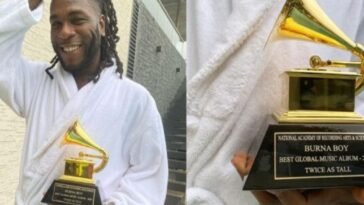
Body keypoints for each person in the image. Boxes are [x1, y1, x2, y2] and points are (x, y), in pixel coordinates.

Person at [0, 0, 168, 204]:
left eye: (76, 20)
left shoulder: (136, 100)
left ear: (102, 25)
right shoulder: (35, 82)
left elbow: (148, 179)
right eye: (56, 23)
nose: (65, 32)